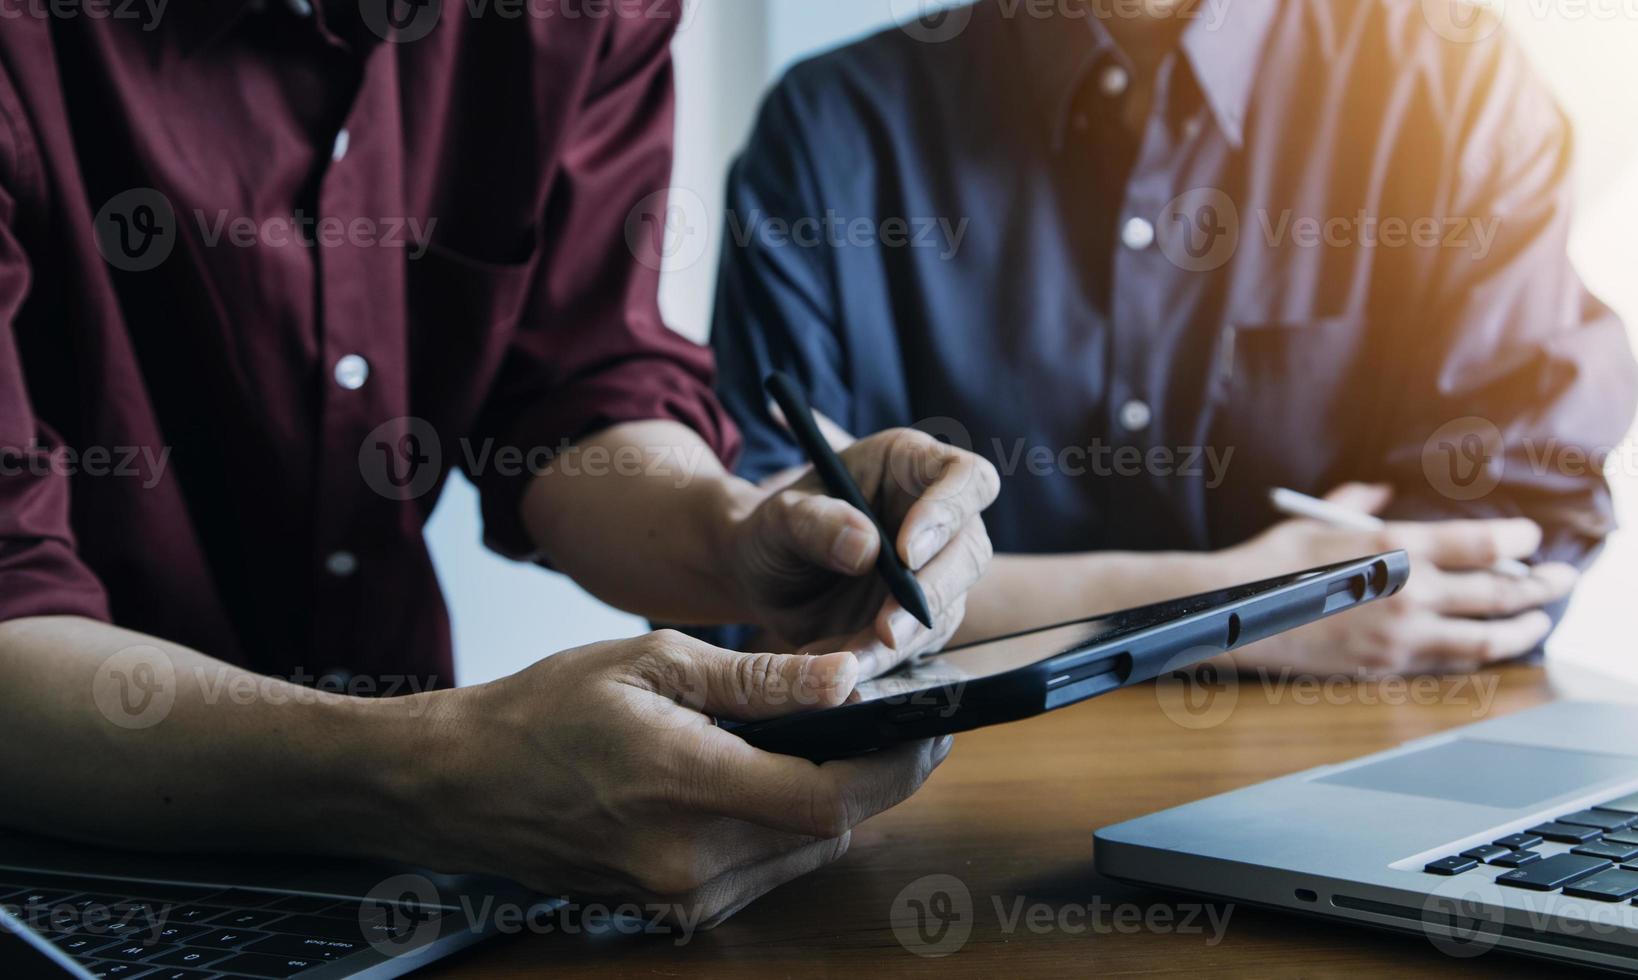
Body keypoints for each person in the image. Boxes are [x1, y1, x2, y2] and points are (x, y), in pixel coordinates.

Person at [0, 5, 999, 925]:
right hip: (67, 863)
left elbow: (572, 390)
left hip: (418, 865)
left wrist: (731, 537)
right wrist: (431, 773)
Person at [710, 0, 1638, 675]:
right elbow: (765, 583)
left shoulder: (1447, 85)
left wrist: (1012, 606)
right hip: (928, 812)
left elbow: (1510, 546)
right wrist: (1243, 606)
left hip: (1349, 793)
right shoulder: (831, 130)